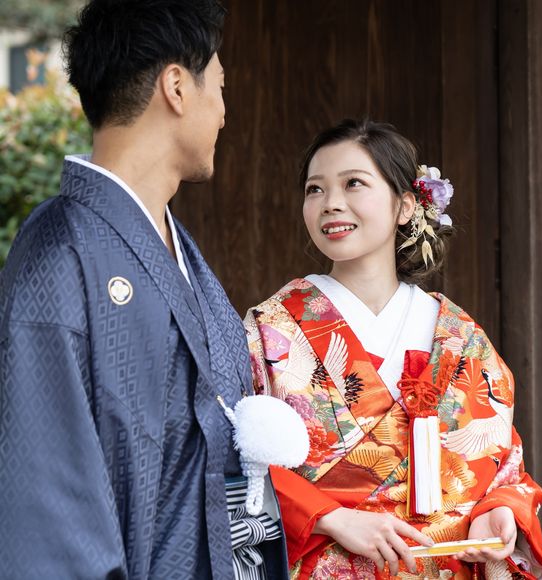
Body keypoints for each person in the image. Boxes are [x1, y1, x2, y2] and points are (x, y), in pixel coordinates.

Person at [0, 1, 288, 578]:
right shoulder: (60, 252)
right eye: (220, 87)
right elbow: (44, 507)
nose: (224, 113)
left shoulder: (174, 248)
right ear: (177, 87)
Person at [244, 119, 542, 579]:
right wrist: (331, 517)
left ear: (405, 205)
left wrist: (497, 510)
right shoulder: (272, 328)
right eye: (315, 189)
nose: (330, 202)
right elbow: (236, 457)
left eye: (353, 183)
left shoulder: (458, 335)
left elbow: (503, 465)